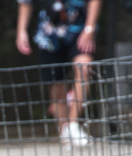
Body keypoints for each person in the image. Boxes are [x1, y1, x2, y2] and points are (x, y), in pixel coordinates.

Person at [16, 0, 102, 147]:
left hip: (79, 29)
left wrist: (89, 28)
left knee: (84, 67)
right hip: (49, 33)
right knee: (56, 86)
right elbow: (25, 2)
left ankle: (73, 124)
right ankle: (65, 132)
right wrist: (21, 30)